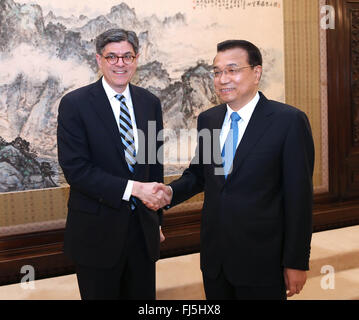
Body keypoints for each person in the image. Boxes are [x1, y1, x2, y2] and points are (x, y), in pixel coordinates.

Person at [150, 40, 315, 300]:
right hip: (216, 260)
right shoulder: (210, 119)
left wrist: (296, 261)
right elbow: (198, 174)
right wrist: (169, 193)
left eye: (232, 70)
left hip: (264, 261)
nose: (222, 79)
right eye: (217, 72)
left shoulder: (288, 121)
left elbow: (300, 199)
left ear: (256, 73)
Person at [57, 28, 167, 300]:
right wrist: (133, 189)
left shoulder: (149, 103)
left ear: (136, 59)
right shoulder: (75, 104)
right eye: (112, 57)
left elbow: (154, 166)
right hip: (96, 235)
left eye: (127, 56)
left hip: (143, 232)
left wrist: (158, 220)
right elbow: (76, 170)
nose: (121, 63)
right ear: (99, 60)